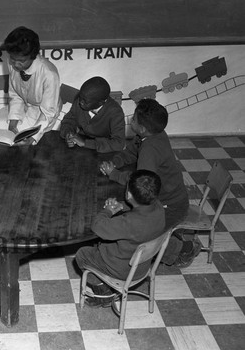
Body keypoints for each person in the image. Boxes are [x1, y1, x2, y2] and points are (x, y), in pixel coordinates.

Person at [99, 98, 199, 268]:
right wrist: (116, 162)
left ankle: (183, 250)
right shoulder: (151, 135)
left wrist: (115, 175)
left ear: (143, 128)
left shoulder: (150, 149)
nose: (131, 120)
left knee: (140, 234)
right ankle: (175, 239)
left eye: (135, 119)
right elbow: (131, 153)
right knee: (124, 214)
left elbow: (142, 183)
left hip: (168, 206)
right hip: (165, 199)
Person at [75, 169, 165, 307]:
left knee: (82, 254)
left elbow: (98, 226)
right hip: (143, 266)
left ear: (128, 194)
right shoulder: (159, 208)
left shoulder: (128, 222)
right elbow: (140, 210)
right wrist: (121, 205)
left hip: (122, 270)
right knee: (101, 244)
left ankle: (103, 293)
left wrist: (108, 210)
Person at [0, 26, 61, 145]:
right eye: (12, 58)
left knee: (22, 142)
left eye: (21, 60)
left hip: (42, 114)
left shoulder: (49, 74)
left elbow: (48, 112)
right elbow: (15, 95)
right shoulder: (13, 62)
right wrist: (13, 121)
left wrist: (33, 137)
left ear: (33, 55)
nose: (15, 64)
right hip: (21, 108)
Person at [59, 76, 125, 153]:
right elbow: (69, 120)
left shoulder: (115, 112)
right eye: (80, 97)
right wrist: (68, 133)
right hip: (81, 144)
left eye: (85, 101)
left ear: (101, 102)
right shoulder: (79, 102)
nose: (80, 102)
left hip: (104, 150)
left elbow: (119, 143)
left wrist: (86, 143)